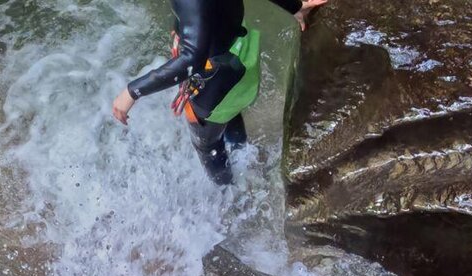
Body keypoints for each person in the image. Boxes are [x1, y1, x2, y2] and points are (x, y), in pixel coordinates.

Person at [110, 0, 328, 184]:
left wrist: (132, 92)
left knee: (207, 144)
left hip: (215, 77)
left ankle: (228, 191)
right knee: (229, 114)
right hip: (240, 53)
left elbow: (191, 58)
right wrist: (295, 5)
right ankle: (243, 152)